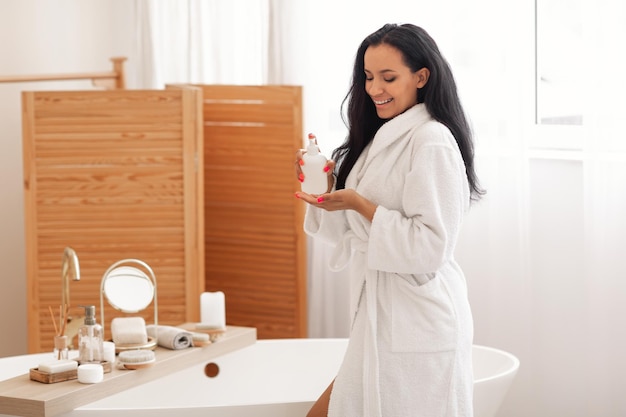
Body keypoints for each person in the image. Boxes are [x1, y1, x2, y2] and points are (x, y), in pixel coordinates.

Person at [294, 23, 483, 417]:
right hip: (380, 319)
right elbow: (349, 231)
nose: (374, 88)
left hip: (419, 319)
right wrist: (328, 189)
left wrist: (360, 204)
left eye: (388, 77)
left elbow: (431, 246)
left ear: (421, 76)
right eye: (367, 76)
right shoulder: (381, 139)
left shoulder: (431, 140)